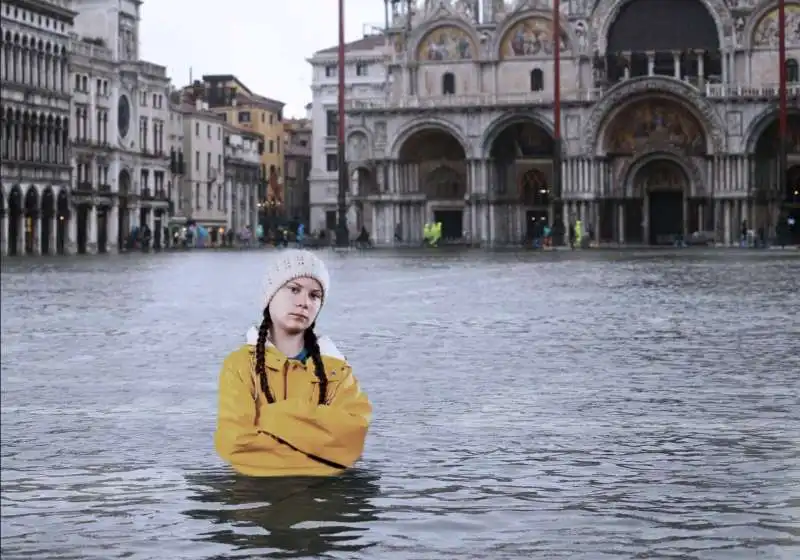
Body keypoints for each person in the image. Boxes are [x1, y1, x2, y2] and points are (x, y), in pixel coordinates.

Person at [214, 249, 372, 477]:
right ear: (270, 295)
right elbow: (236, 445)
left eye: (314, 295)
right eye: (294, 289)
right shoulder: (238, 366)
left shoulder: (337, 370)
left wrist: (271, 416)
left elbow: (351, 443)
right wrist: (321, 451)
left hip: (321, 505)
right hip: (257, 504)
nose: (304, 303)